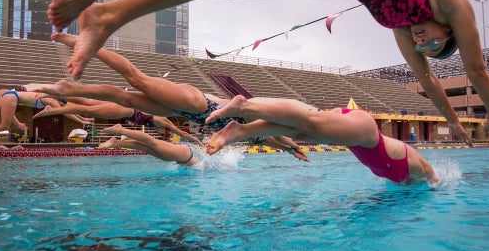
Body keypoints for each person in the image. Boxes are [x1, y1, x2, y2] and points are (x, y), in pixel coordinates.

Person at [47, 0, 489, 146]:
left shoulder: (401, 25)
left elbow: (428, 82)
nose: (423, 43)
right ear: (447, 28)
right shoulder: (452, 3)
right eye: (433, 41)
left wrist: (454, 122)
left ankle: (109, 15)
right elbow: (475, 70)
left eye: (427, 47)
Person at [36, 33, 309, 161]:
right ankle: (85, 44)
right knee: (136, 79)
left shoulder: (262, 135)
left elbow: (280, 142)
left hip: (192, 112)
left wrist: (293, 150)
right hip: (201, 104)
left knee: (127, 99)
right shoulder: (264, 121)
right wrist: (294, 143)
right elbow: (282, 136)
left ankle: (69, 90)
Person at [205, 95, 439, 185]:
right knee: (310, 122)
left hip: (354, 136)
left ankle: (241, 130)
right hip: (366, 134)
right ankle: (246, 106)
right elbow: (429, 172)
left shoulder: (403, 179)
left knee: (300, 132)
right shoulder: (417, 169)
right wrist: (437, 182)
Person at [32, 97, 203, 145]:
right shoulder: (165, 122)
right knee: (88, 108)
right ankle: (52, 109)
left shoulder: (160, 114)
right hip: (126, 111)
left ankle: (60, 94)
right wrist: (196, 140)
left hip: (124, 108)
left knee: (88, 103)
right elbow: (182, 134)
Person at [0, 89, 89, 148]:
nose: (60, 106)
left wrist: (81, 117)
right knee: (2, 126)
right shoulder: (51, 99)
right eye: (61, 104)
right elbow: (65, 112)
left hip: (10, 95)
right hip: (11, 97)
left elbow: (68, 110)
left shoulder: (47, 98)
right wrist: (81, 120)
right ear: (58, 100)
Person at [99, 124, 199, 166]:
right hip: (184, 155)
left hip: (181, 158)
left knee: (143, 147)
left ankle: (116, 143)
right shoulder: (210, 167)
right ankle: (120, 129)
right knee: (152, 142)